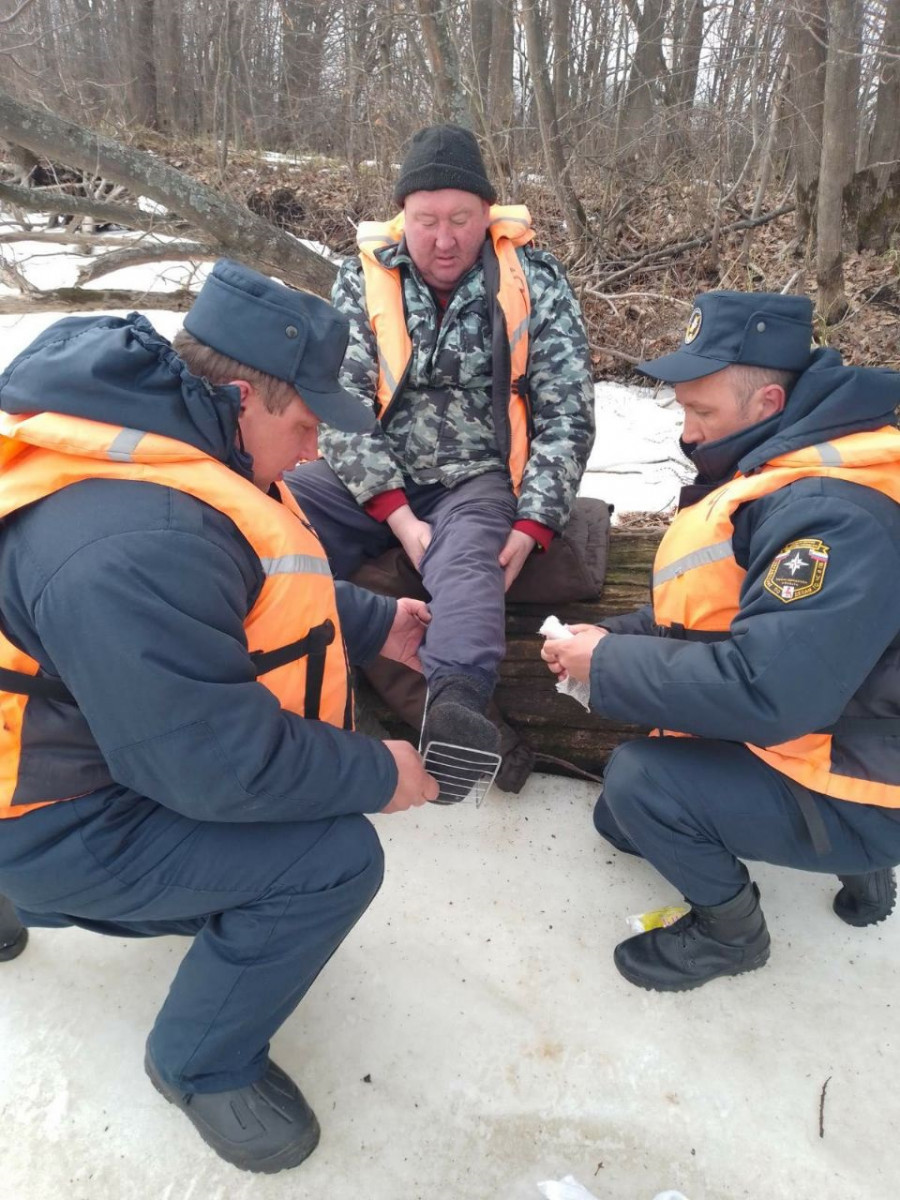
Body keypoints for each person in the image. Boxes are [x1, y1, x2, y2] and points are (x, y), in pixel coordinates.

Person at [0, 259, 440, 1173]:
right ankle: (199, 1063)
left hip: (44, 751)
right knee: (330, 860)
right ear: (244, 397)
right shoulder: (134, 537)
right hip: (48, 814)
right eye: (308, 424)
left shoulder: (154, 444)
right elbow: (207, 765)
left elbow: (229, 587)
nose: (317, 450)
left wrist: (375, 623)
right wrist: (380, 772)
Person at [540, 290, 900, 992]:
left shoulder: (832, 514)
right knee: (622, 820)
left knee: (640, 783)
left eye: (701, 412)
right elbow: (715, 617)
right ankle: (857, 858)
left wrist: (608, 664)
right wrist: (606, 636)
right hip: (848, 730)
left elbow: (773, 692)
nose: (687, 430)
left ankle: (732, 936)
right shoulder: (789, 469)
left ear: (767, 402)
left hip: (862, 771)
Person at [287, 124, 595, 768]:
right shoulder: (361, 277)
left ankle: (456, 703)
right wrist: (396, 515)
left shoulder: (534, 279)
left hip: (477, 476)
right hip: (368, 472)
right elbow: (336, 404)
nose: (445, 238)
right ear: (403, 216)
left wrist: (536, 519)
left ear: (488, 214)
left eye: (461, 218)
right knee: (276, 512)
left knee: (465, 567)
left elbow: (567, 411)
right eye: (427, 220)